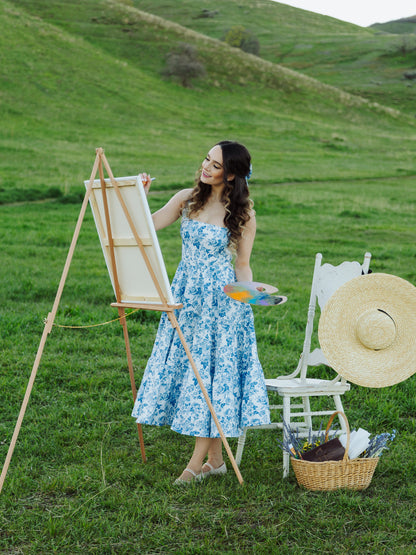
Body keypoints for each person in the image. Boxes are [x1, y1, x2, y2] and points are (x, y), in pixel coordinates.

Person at [132, 140, 270, 483]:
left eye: (215, 165)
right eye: (206, 160)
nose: (206, 167)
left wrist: (247, 297)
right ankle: (216, 462)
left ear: (232, 174)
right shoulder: (186, 198)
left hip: (222, 304)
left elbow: (243, 265)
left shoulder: (244, 212)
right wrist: (140, 196)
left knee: (210, 379)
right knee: (195, 373)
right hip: (185, 297)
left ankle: (194, 467)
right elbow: (144, 229)